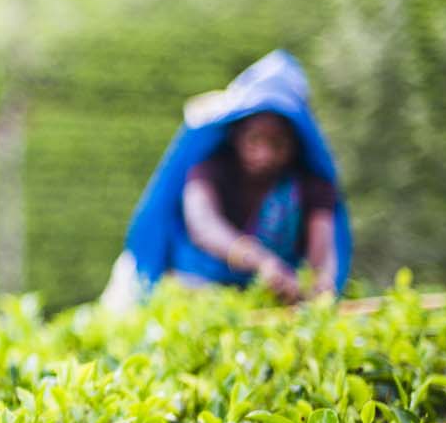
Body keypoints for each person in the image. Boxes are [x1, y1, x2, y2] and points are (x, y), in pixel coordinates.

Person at [100, 50, 351, 310]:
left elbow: (322, 254)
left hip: (274, 303)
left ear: (296, 143)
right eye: (255, 140)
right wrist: (261, 262)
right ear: (236, 136)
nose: (264, 155)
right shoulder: (212, 167)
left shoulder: (308, 184)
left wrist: (314, 284)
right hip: (197, 287)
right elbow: (204, 226)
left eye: (277, 143)